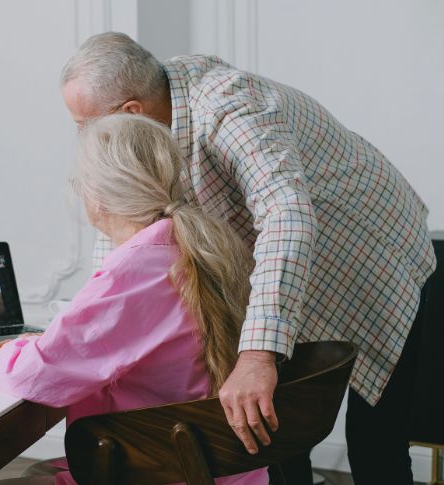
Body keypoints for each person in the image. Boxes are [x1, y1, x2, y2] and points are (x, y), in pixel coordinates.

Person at [58, 32, 437, 484]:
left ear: (131, 112)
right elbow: (125, 244)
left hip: (373, 253)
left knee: (375, 443)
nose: (82, 136)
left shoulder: (227, 103)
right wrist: (75, 332)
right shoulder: (147, 127)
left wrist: (257, 356)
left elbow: (286, 213)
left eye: (83, 124)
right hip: (289, 269)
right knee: (271, 437)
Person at [0, 114, 266, 485]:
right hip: (221, 466)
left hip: (164, 468)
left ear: (97, 197)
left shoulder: (136, 269)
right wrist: (49, 343)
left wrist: (9, 353)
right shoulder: (192, 244)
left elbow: (35, 375)